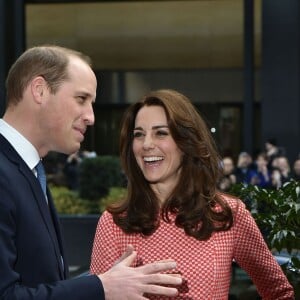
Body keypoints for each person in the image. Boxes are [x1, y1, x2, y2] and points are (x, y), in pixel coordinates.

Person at [0, 46, 182, 300]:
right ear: (39, 90)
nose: (91, 117)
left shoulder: (27, 171)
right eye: (81, 99)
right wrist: (101, 287)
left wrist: (111, 281)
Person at [90, 89, 294, 299]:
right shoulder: (113, 223)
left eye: (161, 133)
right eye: (139, 134)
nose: (146, 144)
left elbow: (279, 292)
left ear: (185, 142)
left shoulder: (226, 214)